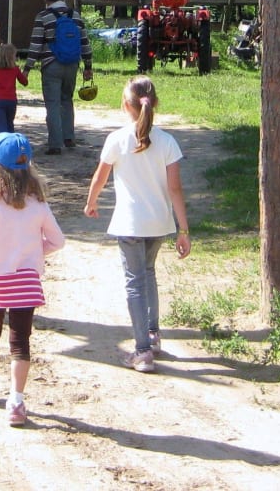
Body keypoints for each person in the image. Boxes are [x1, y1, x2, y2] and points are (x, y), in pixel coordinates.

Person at [82, 75, 192, 374]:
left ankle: (142, 351)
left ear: (125, 105)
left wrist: (91, 202)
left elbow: (100, 177)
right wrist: (183, 229)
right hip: (158, 222)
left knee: (135, 282)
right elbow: (175, 189)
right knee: (148, 273)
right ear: (154, 103)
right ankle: (153, 335)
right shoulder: (167, 141)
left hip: (130, 223)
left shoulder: (117, 139)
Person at [0, 131, 65, 427]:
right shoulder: (39, 204)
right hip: (27, 281)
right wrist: (35, 254)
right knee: (21, 341)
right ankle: (17, 401)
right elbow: (58, 241)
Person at [22, 0, 94, 154]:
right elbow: (84, 42)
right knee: (67, 100)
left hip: (51, 65)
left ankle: (55, 144)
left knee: (53, 104)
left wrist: (27, 68)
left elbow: (36, 44)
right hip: (72, 64)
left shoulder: (43, 16)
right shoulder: (75, 15)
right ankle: (69, 137)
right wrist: (88, 66)